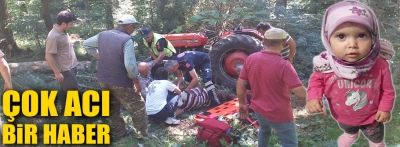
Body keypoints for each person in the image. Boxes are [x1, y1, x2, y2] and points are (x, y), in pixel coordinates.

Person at [306, 1, 395, 146]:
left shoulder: (379, 64)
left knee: (376, 141)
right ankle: (351, 135)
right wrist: (313, 97)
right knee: (350, 132)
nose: (352, 44)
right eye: (341, 36)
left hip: (373, 118)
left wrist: (385, 108)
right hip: (343, 117)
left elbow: (388, 91)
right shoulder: (326, 65)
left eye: (361, 35)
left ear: (373, 38)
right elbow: (316, 82)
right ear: (328, 39)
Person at [236, 28, 307, 147]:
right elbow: (301, 94)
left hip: (258, 109)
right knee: (290, 143)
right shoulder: (284, 66)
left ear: (264, 41)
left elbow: (240, 84)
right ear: (284, 43)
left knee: (264, 131)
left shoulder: (251, 58)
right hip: (280, 114)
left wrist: (242, 103)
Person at [82, 15, 148, 140]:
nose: (134, 30)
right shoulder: (126, 39)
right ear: (129, 26)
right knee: (138, 107)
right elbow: (130, 66)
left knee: (112, 107)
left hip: (103, 79)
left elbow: (86, 44)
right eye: (134, 27)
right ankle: (142, 135)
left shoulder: (103, 34)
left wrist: (98, 57)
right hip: (120, 81)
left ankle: (119, 133)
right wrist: (137, 83)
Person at [44, 10, 78, 113]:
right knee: (73, 93)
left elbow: (62, 47)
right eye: (71, 24)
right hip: (65, 71)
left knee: (64, 92)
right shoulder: (53, 36)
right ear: (63, 24)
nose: (72, 26)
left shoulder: (62, 32)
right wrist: (57, 72)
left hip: (71, 67)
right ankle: (76, 117)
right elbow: (48, 55)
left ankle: (65, 112)